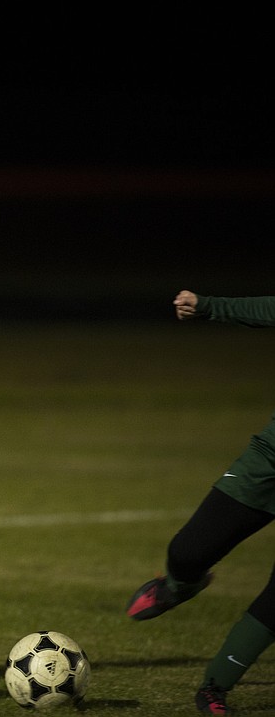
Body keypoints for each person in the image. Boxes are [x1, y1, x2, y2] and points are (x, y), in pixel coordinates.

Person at [127, 289, 275, 714]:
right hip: (270, 462)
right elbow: (268, 310)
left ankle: (214, 688)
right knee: (190, 549)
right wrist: (209, 306)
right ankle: (179, 584)